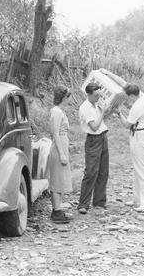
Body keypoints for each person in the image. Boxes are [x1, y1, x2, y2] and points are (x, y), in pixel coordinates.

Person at [116, 83, 144, 212]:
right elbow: (123, 83)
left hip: (141, 136)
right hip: (142, 134)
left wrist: (119, 113)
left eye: (128, 97)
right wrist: (106, 73)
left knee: (143, 170)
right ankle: (137, 198)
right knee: (137, 169)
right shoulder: (141, 95)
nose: (127, 100)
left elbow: (127, 124)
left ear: (133, 95)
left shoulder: (138, 106)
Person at [77, 82, 113, 214]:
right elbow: (94, 126)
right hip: (93, 139)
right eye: (96, 95)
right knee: (91, 171)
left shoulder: (96, 104)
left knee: (103, 170)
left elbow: (102, 121)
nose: (99, 97)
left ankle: (99, 201)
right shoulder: (85, 107)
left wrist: (108, 111)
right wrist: (103, 112)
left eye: (99, 94)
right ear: (89, 95)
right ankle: (83, 203)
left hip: (103, 136)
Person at [46, 86, 73, 223]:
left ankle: (58, 209)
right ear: (63, 98)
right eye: (68, 97)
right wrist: (62, 153)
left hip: (62, 144)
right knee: (57, 179)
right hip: (58, 147)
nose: (69, 100)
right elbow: (55, 132)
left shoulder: (59, 111)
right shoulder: (56, 112)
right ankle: (56, 211)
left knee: (60, 178)